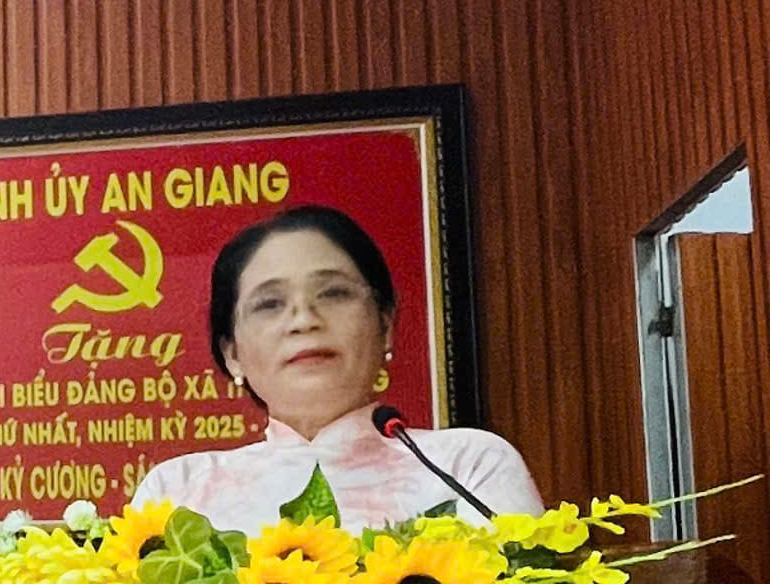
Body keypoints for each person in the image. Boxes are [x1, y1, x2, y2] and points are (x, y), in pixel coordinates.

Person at [129, 204, 541, 531]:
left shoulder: (469, 466)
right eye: (270, 304)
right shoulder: (178, 491)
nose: (304, 319)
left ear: (385, 325)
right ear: (232, 352)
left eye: (333, 294)